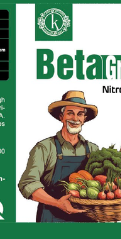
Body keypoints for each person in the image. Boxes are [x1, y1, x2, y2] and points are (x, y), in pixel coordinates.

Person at [18, 90, 100, 222]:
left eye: (80, 114)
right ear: (61, 117)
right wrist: (57, 203)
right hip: (52, 219)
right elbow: (27, 183)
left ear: (84, 119)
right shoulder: (45, 147)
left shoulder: (93, 149)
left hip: (87, 220)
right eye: (70, 113)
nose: (75, 119)